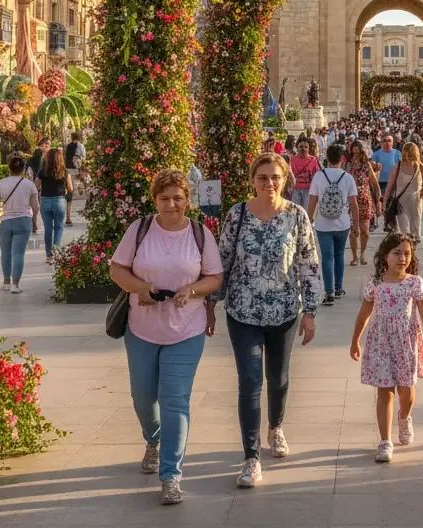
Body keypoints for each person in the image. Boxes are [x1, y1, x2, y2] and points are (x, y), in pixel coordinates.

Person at [109, 169, 223, 505]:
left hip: (186, 329)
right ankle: (153, 439)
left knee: (175, 401)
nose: (171, 204)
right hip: (142, 327)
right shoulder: (140, 229)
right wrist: (140, 288)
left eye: (177, 197)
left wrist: (192, 289)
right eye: (164, 198)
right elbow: (117, 269)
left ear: (188, 199)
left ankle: (172, 475)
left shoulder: (201, 234)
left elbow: (214, 277)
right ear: (154, 200)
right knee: (143, 397)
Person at [214, 152, 322, 489]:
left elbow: (309, 261)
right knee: (249, 382)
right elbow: (223, 259)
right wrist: (209, 304)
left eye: (275, 177)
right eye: (262, 177)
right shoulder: (238, 214)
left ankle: (275, 426)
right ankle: (250, 457)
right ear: (253, 180)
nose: (269, 184)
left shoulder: (296, 216)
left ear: (285, 179)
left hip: (285, 310)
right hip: (243, 310)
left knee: (278, 379)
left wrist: (310, 312)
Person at [350, 233, 423, 463]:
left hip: (406, 342)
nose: (402, 258)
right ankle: (384, 440)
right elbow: (364, 314)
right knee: (384, 390)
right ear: (385, 256)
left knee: (406, 390)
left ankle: (404, 416)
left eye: (407, 253)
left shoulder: (414, 283)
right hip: (381, 342)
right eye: (396, 253)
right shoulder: (376, 284)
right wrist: (355, 339)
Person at [308, 144, 359, 306]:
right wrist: (356, 225)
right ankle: (338, 287)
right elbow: (354, 204)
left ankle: (328, 292)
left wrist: (308, 219)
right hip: (342, 223)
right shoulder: (348, 177)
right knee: (339, 255)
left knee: (327, 257)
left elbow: (313, 200)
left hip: (323, 224)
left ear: (327, 158)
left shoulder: (319, 176)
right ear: (342, 159)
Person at [0, 154, 39, 294]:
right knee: (18, 253)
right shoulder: (29, 185)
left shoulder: (0, 183)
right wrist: (34, 220)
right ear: (24, 169)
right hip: (23, 221)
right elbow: (35, 207)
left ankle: (6, 282)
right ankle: (15, 285)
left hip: (3, 221)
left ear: (9, 168)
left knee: (5, 252)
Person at [384, 142, 423, 238]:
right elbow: (389, 186)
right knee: (404, 230)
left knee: (415, 229)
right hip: (401, 202)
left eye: (410, 153)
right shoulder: (398, 166)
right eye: (407, 152)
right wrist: (385, 203)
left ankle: (412, 249)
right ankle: (408, 248)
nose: (408, 155)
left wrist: (422, 193)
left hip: (415, 202)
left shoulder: (419, 166)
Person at [347, 139, 380, 266]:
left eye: (357, 151)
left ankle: (362, 254)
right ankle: (355, 256)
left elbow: (374, 184)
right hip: (350, 199)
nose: (355, 154)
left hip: (365, 198)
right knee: (353, 229)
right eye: (353, 151)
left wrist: (379, 201)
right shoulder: (348, 165)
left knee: (365, 230)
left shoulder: (367, 165)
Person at [35, 146, 71, 262]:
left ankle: (49, 255)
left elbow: (36, 185)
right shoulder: (64, 171)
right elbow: (70, 188)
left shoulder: (43, 171)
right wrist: (65, 190)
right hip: (59, 200)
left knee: (48, 228)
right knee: (59, 227)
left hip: (45, 200)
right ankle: (56, 253)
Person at [371, 133, 402, 215]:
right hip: (380, 183)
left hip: (393, 184)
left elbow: (401, 168)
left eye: (389, 141)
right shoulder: (376, 154)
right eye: (384, 141)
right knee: (381, 207)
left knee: (391, 207)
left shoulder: (397, 153)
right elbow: (372, 168)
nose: (387, 143)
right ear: (381, 143)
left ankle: (390, 223)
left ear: (392, 142)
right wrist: (375, 166)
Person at [289, 137, 321, 209]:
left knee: (306, 212)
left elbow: (316, 175)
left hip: (308, 190)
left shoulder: (313, 160)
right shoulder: (292, 159)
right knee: (295, 211)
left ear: (308, 149)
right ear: (297, 147)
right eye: (301, 147)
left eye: (305, 147)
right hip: (295, 190)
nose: (303, 149)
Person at [64, 131, 86, 226]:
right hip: (78, 171)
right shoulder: (80, 146)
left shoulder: (68, 146)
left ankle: (68, 216)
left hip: (68, 171)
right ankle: (87, 208)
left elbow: (66, 159)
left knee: (70, 194)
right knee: (88, 188)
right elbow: (84, 158)